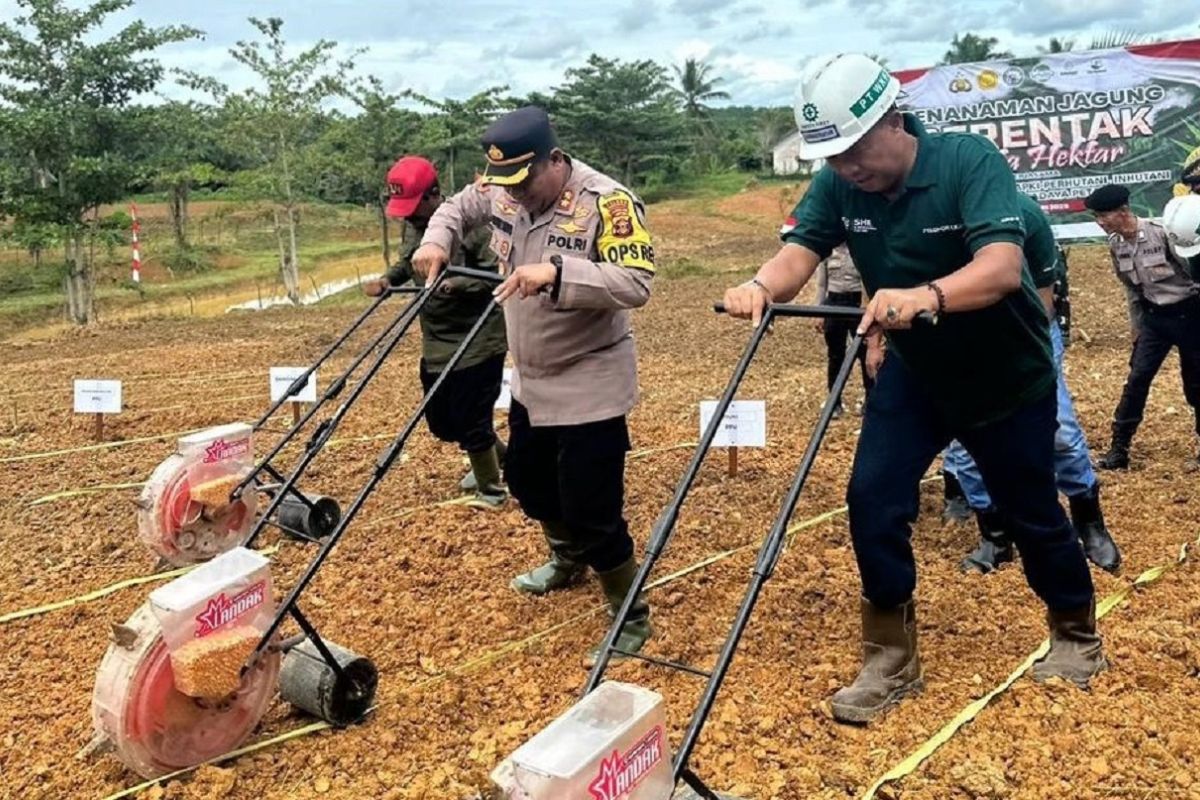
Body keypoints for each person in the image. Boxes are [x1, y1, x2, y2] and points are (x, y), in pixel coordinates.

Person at [723, 54, 1104, 724]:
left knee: (1031, 511)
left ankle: (1075, 631)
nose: (845, 167)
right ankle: (890, 657)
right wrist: (761, 286)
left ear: (893, 118)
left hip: (1004, 375)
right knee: (871, 498)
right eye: (832, 156)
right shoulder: (839, 185)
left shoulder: (967, 162)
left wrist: (924, 296)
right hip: (915, 372)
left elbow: (1000, 268)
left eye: (853, 149)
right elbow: (798, 253)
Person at [410, 106, 655, 665]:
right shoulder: (503, 191)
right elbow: (458, 204)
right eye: (506, 184)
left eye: (525, 181)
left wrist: (558, 273)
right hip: (530, 378)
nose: (514, 195)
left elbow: (635, 283)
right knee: (527, 481)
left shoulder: (606, 204)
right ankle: (566, 558)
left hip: (589, 376)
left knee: (593, 504)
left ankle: (629, 613)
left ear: (555, 161)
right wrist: (436, 240)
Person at [945, 195, 1119, 575]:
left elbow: (1044, 298)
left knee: (1059, 429)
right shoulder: (930, 217)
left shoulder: (1023, 213)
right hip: (958, 340)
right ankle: (996, 537)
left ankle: (1089, 523)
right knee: (964, 444)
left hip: (1028, 331)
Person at [362, 156, 509, 509]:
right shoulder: (415, 226)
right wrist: (388, 280)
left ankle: (492, 490)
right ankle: (499, 456)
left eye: (415, 207)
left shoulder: (472, 225)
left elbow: (498, 274)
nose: (410, 216)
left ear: (433, 195)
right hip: (437, 339)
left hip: (478, 338)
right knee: (443, 419)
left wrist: (457, 284)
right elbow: (407, 260)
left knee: (473, 414)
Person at [1086, 185, 1200, 469]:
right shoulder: (1116, 244)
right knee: (1137, 380)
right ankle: (1119, 449)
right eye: (1096, 216)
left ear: (1123, 212)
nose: (1100, 222)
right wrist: (1136, 328)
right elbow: (1132, 290)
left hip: (1189, 314)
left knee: (1196, 383)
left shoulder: (1162, 234)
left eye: (1104, 215)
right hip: (1154, 319)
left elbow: (1193, 274)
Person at [811, 244, 873, 417]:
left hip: (856, 304)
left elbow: (865, 281)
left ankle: (870, 399)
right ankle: (834, 402)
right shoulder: (828, 252)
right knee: (835, 354)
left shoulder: (860, 248)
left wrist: (866, 308)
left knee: (864, 352)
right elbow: (821, 284)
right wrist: (818, 312)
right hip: (833, 303)